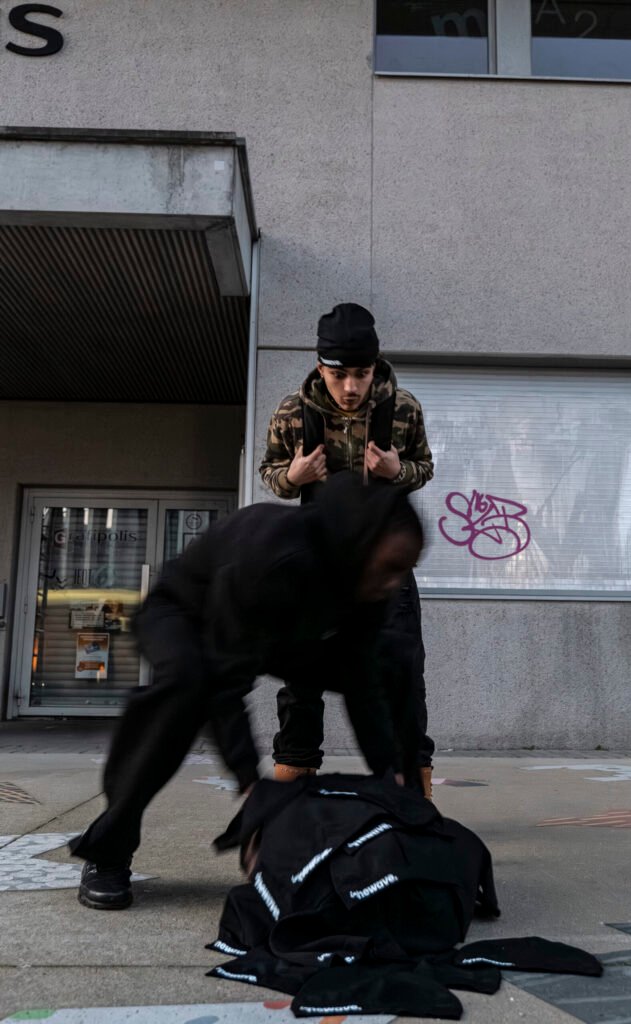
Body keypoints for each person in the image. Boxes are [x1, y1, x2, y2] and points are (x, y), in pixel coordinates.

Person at [70, 473, 424, 910]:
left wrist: (390, 771)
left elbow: (363, 682)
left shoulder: (368, 585)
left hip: (278, 633)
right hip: (186, 614)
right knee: (188, 684)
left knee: (394, 658)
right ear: (359, 543)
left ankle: (409, 809)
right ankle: (108, 848)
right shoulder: (271, 553)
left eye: (404, 571)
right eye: (391, 568)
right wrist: (251, 788)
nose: (394, 583)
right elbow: (224, 684)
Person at [259, 303, 435, 795]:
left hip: (383, 562)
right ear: (321, 368)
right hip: (315, 562)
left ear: (375, 367)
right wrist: (293, 477)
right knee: (301, 680)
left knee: (403, 673)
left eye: (361, 374)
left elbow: (424, 466)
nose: (351, 387)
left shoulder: (403, 409)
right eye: (339, 375)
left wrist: (397, 472)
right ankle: (294, 789)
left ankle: (412, 792)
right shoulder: (292, 412)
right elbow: (270, 472)